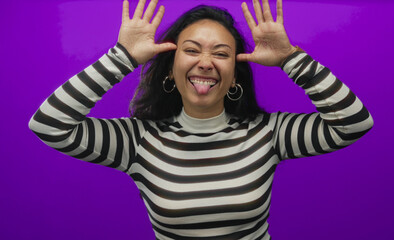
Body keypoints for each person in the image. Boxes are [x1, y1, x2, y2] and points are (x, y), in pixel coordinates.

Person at [28, 0, 374, 239]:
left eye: (221, 54)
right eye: (191, 50)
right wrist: (123, 57)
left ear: (234, 75)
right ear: (171, 67)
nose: (205, 62)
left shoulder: (270, 133)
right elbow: (48, 125)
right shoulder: (137, 141)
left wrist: (290, 59)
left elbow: (354, 123)